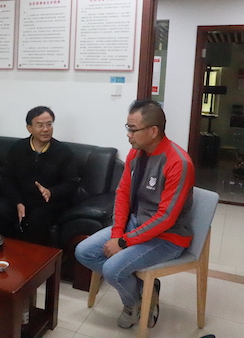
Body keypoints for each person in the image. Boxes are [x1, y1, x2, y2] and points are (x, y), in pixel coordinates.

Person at [75, 99, 195, 329]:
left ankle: (131, 304)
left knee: (112, 269)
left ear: (153, 131)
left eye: (133, 129)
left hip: (167, 237)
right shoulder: (136, 154)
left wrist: (123, 242)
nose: (128, 135)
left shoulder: (178, 163)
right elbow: (122, 194)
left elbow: (166, 218)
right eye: (127, 128)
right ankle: (141, 296)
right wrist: (117, 234)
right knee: (84, 251)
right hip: (135, 224)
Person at [0, 106, 79, 245]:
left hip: (50, 203)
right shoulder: (17, 148)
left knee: (38, 219)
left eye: (49, 124)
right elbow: (7, 179)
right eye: (40, 125)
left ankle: (34, 257)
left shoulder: (63, 152)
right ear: (29, 128)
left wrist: (51, 192)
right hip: (22, 199)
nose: (46, 129)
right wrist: (17, 202)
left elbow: (72, 183)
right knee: (0, 213)